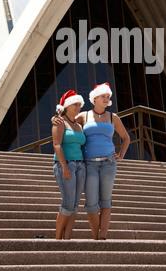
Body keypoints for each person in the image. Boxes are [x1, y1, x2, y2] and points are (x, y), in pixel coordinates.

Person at [52, 83, 130, 240]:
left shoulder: (112, 117)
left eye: (108, 97)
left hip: (107, 163)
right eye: (103, 96)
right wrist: (54, 117)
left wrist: (120, 156)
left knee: (105, 201)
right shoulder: (84, 116)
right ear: (95, 98)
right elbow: (66, 119)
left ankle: (101, 238)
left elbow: (126, 137)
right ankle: (95, 236)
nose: (107, 99)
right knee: (90, 203)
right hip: (89, 164)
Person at [52, 90, 86, 240]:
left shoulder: (78, 123)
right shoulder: (60, 122)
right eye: (75, 104)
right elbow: (57, 145)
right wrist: (64, 166)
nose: (78, 107)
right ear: (67, 105)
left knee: (75, 205)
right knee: (68, 203)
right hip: (67, 165)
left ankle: (67, 238)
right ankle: (58, 239)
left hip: (81, 165)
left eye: (80, 104)